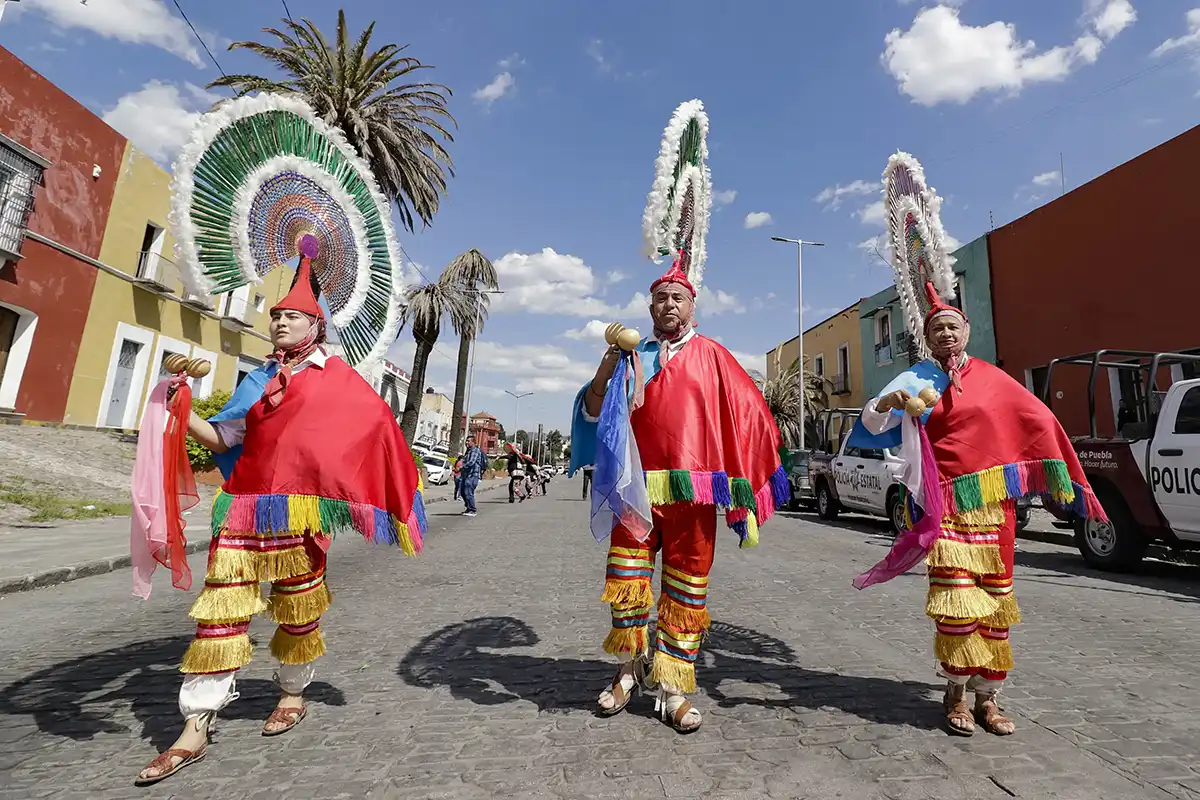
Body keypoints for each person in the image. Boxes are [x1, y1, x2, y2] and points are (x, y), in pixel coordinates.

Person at [135, 247, 426, 785]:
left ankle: (292, 693)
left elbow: (378, 432)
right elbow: (223, 436)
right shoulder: (255, 380)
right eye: (275, 316)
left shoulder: (341, 381)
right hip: (243, 509)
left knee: (297, 611)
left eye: (291, 316)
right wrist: (183, 405)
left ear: (316, 324)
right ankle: (195, 726)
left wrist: (388, 491)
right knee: (219, 617)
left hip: (300, 517)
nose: (279, 322)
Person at [569, 99, 787, 735]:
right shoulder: (630, 356)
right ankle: (627, 672)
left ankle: (672, 687)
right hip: (635, 493)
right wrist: (609, 365)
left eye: (675, 298)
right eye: (658, 297)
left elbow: (752, 419)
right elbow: (588, 411)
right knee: (629, 587)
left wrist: (745, 484)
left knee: (687, 590)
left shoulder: (715, 356)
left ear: (692, 305)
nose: (666, 305)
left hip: (691, 494)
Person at [851, 284, 1107, 738]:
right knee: (955, 604)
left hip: (996, 509)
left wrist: (1057, 473)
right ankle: (955, 695)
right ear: (927, 338)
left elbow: (1038, 420)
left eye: (952, 326)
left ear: (966, 331)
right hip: (944, 509)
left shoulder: (993, 377)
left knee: (996, 602)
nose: (946, 334)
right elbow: (872, 420)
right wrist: (888, 403)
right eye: (937, 329)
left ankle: (989, 697)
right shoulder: (917, 378)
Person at [459, 435, 485, 517]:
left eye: (468, 441)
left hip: (473, 475)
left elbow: (471, 462)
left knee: (468, 492)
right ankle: (469, 507)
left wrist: (462, 466)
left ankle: (473, 510)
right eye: (466, 441)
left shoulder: (475, 451)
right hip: (467, 475)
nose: (466, 442)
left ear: (474, 442)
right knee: (463, 492)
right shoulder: (469, 451)